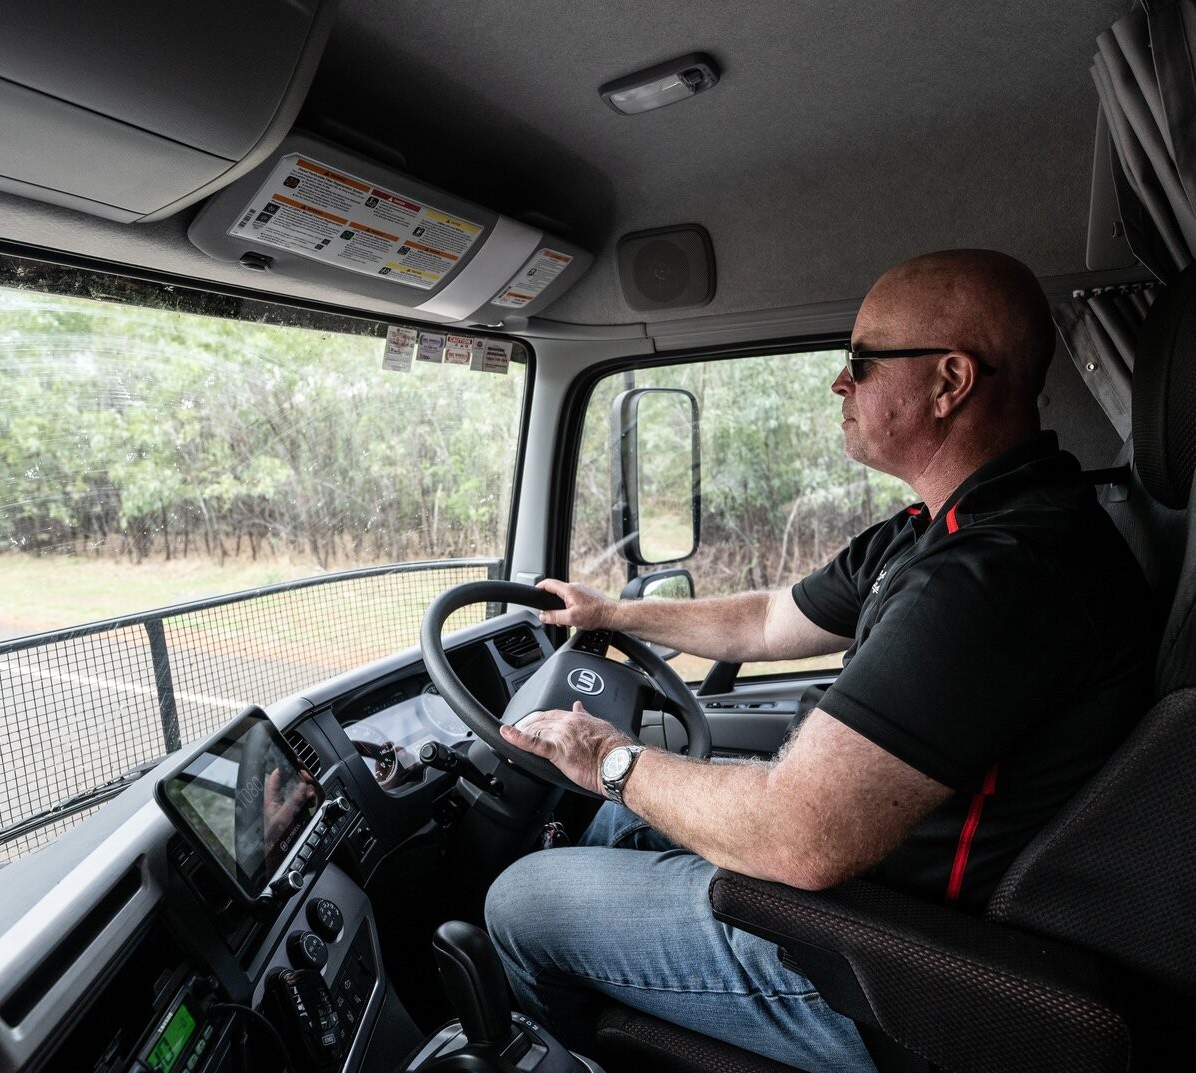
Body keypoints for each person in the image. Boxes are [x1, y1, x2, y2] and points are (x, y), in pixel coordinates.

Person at [482, 249, 1157, 1072]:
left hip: (884, 964)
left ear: (949, 382)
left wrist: (605, 757)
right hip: (863, 889)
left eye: (862, 362)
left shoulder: (999, 574)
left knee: (520, 899)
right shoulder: (938, 529)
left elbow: (799, 837)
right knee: (628, 815)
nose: (842, 383)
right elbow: (771, 619)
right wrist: (611, 612)